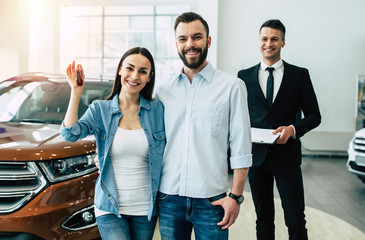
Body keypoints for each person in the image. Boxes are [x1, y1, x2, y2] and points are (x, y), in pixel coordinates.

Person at [154, 12, 252, 240]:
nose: (190, 44)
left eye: (197, 37)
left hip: (212, 200)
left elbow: (242, 147)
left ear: (208, 41)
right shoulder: (162, 90)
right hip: (169, 199)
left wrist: (236, 196)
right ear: (176, 44)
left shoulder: (232, 87)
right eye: (183, 39)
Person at [60, 47, 165, 240]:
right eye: (130, 68)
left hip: (145, 208)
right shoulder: (101, 110)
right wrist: (76, 91)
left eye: (143, 71)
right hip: (109, 206)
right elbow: (69, 133)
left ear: (150, 77)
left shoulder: (158, 111)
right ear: (119, 70)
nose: (135, 76)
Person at [237, 19, 321, 240]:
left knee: (295, 218)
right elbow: (238, 117)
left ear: (283, 42)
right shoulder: (243, 77)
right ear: (259, 42)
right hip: (257, 159)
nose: (269, 43)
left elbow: (314, 116)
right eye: (264, 39)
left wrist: (293, 129)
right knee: (263, 218)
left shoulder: (299, 75)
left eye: (274, 39)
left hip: (287, 157)